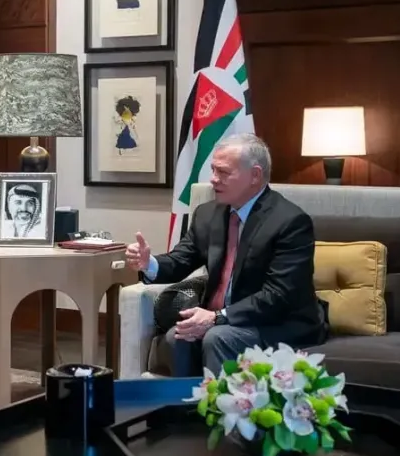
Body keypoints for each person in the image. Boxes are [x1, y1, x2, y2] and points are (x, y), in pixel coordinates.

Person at [124, 133, 326, 375]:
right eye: (213, 170)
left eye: (223, 172)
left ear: (255, 175)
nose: (213, 179)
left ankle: (222, 401)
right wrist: (149, 263)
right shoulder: (208, 214)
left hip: (277, 321)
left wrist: (217, 317)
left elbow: (279, 295)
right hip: (222, 318)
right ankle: (186, 401)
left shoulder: (290, 222)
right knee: (178, 337)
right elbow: (181, 259)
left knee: (218, 337)